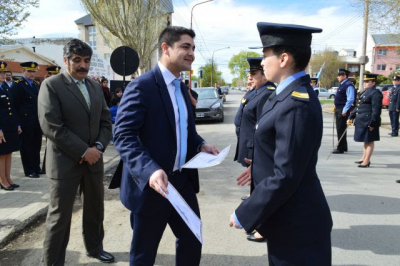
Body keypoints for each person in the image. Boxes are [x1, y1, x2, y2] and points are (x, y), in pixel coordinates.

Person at [110, 26, 219, 265]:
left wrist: (201, 145)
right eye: (185, 47)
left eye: (193, 48)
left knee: (192, 239)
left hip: (181, 180)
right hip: (153, 186)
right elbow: (123, 135)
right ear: (165, 48)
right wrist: (149, 169)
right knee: (144, 252)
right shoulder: (142, 86)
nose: (191, 53)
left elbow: (184, 129)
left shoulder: (181, 87)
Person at [229, 22, 333, 265]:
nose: (262, 62)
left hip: (298, 226)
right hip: (285, 220)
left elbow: (286, 174)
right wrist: (259, 165)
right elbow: (283, 153)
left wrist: (245, 212)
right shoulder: (283, 95)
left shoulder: (295, 103)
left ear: (283, 58)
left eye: (266, 56)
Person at [38, 39, 114, 265]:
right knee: (59, 217)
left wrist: (98, 148)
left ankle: (94, 248)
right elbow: (51, 126)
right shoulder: (52, 85)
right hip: (64, 163)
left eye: (87, 61)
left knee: (94, 209)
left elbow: (105, 121)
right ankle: (52, 261)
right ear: (65, 61)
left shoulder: (94, 86)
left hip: (94, 162)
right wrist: (83, 151)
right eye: (77, 60)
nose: (83, 65)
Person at [233, 57, 276, 243]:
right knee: (256, 186)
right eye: (249, 74)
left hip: (256, 146)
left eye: (254, 74)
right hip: (250, 144)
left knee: (261, 187)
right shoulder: (257, 91)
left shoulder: (266, 92)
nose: (251, 77)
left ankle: (264, 228)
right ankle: (260, 225)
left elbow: (262, 125)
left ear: (264, 74)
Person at [13, 61, 43, 178]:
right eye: (29, 71)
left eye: (33, 72)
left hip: (36, 120)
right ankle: (29, 170)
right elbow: (14, 106)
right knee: (26, 147)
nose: (32, 74)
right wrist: (17, 124)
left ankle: (36, 167)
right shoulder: (18, 85)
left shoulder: (35, 85)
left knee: (36, 145)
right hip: (25, 121)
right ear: (23, 71)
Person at [348, 73, 382, 168]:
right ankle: (364, 158)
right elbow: (359, 106)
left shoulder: (375, 93)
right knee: (365, 140)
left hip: (369, 120)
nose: (365, 83)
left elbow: (376, 109)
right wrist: (352, 115)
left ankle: (367, 161)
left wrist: (373, 122)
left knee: (369, 140)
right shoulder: (365, 92)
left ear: (373, 82)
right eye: (364, 81)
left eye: (367, 81)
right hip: (362, 120)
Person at [0, 62, 21, 191]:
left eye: (3, 73)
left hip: (10, 125)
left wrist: (17, 124)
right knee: (1, 154)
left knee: (9, 152)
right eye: (0, 73)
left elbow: (12, 107)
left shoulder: (5, 87)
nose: (2, 75)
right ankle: (2, 180)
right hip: (1, 127)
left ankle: (8, 177)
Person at [332, 68, 355, 154]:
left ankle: (340, 148)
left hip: (342, 109)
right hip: (339, 108)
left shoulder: (348, 85)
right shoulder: (342, 84)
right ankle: (344, 146)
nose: (337, 77)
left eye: (339, 75)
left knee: (340, 128)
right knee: (340, 128)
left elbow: (350, 99)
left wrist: (345, 110)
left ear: (344, 76)